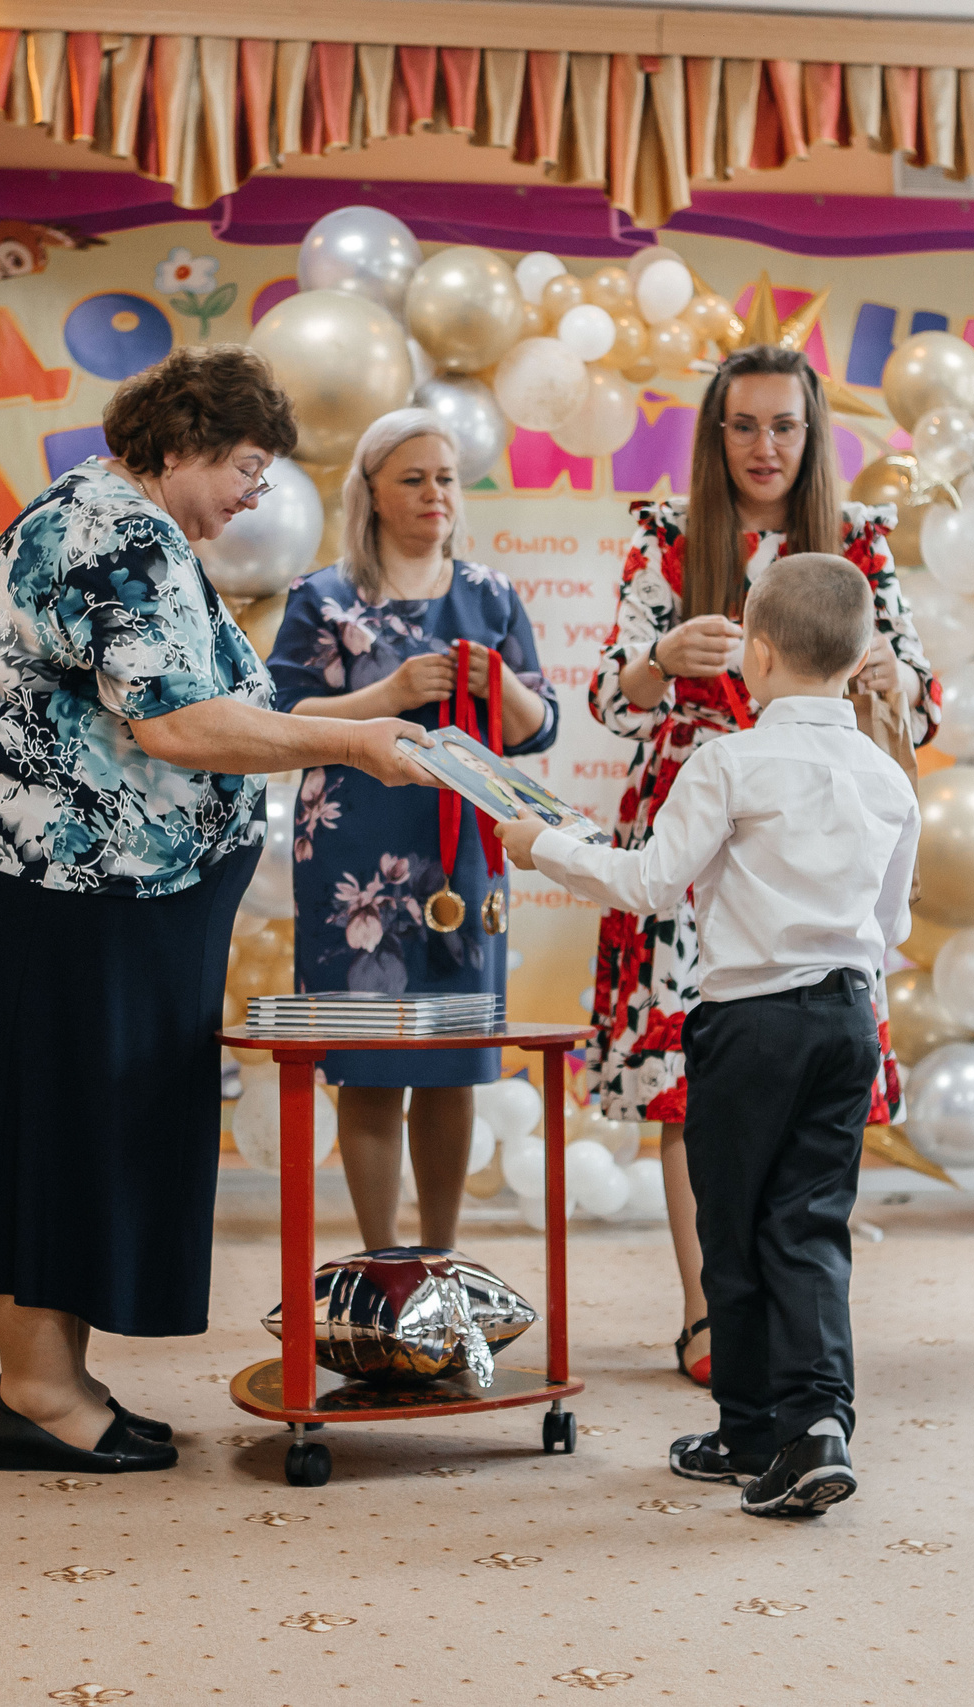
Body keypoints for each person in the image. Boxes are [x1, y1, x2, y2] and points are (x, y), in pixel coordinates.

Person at [0, 346, 429, 1475]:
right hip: (41, 890)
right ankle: (35, 1390)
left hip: (68, 892)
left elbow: (213, 704)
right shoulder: (115, 535)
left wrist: (379, 718)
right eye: (247, 467)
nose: (256, 496)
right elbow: (179, 727)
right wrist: (355, 746)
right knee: (50, 1134)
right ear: (178, 445)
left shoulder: (129, 526)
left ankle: (53, 1378)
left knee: (72, 1131)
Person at [502, 552, 918, 1518]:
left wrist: (542, 846)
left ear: (757, 656)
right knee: (809, 1225)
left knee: (731, 1228)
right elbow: (892, 926)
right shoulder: (888, 779)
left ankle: (752, 1424)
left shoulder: (728, 757)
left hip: (751, 1022)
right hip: (848, 1020)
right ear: (860, 662)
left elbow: (650, 884)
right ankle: (809, 1424)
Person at [586, 343, 935, 1386]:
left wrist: (887, 674)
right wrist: (660, 662)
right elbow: (610, 697)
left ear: (814, 433)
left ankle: (796, 1308)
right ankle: (708, 1317)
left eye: (784, 424)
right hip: (694, 828)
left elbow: (920, 693)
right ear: (715, 432)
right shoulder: (667, 536)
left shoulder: (861, 540)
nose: (764, 444)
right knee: (689, 1080)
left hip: (818, 830)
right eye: (743, 424)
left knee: (813, 1071)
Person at [268, 408, 557, 1254]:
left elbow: (538, 726)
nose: (436, 494)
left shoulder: (492, 594)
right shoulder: (323, 597)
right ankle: (384, 1259)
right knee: (368, 1064)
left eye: (446, 478)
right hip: (353, 854)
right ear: (372, 494)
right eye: (414, 478)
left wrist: (500, 687)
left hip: (463, 857)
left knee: (454, 1060)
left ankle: (440, 1257)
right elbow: (282, 714)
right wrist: (387, 695)